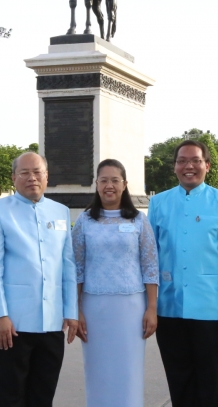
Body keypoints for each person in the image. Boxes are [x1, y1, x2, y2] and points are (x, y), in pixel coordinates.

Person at [148, 140, 218, 407]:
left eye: (195, 160)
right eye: (182, 161)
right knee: (179, 382)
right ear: (175, 166)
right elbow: (150, 257)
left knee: (210, 385)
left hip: (211, 309)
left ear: (207, 165)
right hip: (168, 308)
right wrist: (149, 305)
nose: (188, 166)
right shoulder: (158, 203)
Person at [0, 152, 78, 407]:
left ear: (47, 177)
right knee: (9, 397)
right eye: (24, 173)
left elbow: (67, 266)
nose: (32, 178)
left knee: (43, 395)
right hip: (12, 324)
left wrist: (72, 312)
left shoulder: (61, 212)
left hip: (53, 322)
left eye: (37, 172)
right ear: (14, 178)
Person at [73, 159, 159, 407]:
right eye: (104, 180)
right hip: (94, 308)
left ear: (125, 185)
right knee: (99, 371)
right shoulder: (85, 221)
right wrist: (76, 310)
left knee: (128, 372)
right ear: (96, 184)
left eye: (115, 180)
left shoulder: (139, 221)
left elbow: (150, 266)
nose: (109, 185)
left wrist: (151, 308)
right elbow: (76, 268)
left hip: (131, 309)